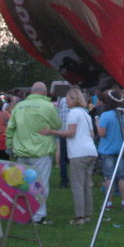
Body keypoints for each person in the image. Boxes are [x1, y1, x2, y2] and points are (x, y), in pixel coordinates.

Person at [5, 81, 61, 224]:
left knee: (23, 185)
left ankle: (23, 213)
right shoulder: (48, 106)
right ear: (44, 92)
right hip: (41, 151)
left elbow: (10, 128)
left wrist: (9, 146)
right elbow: (57, 125)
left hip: (21, 151)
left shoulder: (19, 106)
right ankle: (39, 215)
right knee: (40, 185)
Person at [41, 87, 98, 225]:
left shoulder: (73, 113)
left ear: (73, 99)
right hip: (91, 151)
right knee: (86, 184)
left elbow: (71, 132)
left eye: (67, 99)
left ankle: (79, 217)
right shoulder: (85, 113)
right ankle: (87, 214)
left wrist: (51, 131)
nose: (65, 102)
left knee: (77, 185)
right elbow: (91, 134)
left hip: (79, 153)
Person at [97, 89, 124, 210]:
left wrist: (97, 123)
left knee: (108, 177)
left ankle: (109, 202)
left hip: (107, 149)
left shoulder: (105, 115)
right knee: (121, 177)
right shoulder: (123, 115)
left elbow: (102, 133)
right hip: (120, 149)